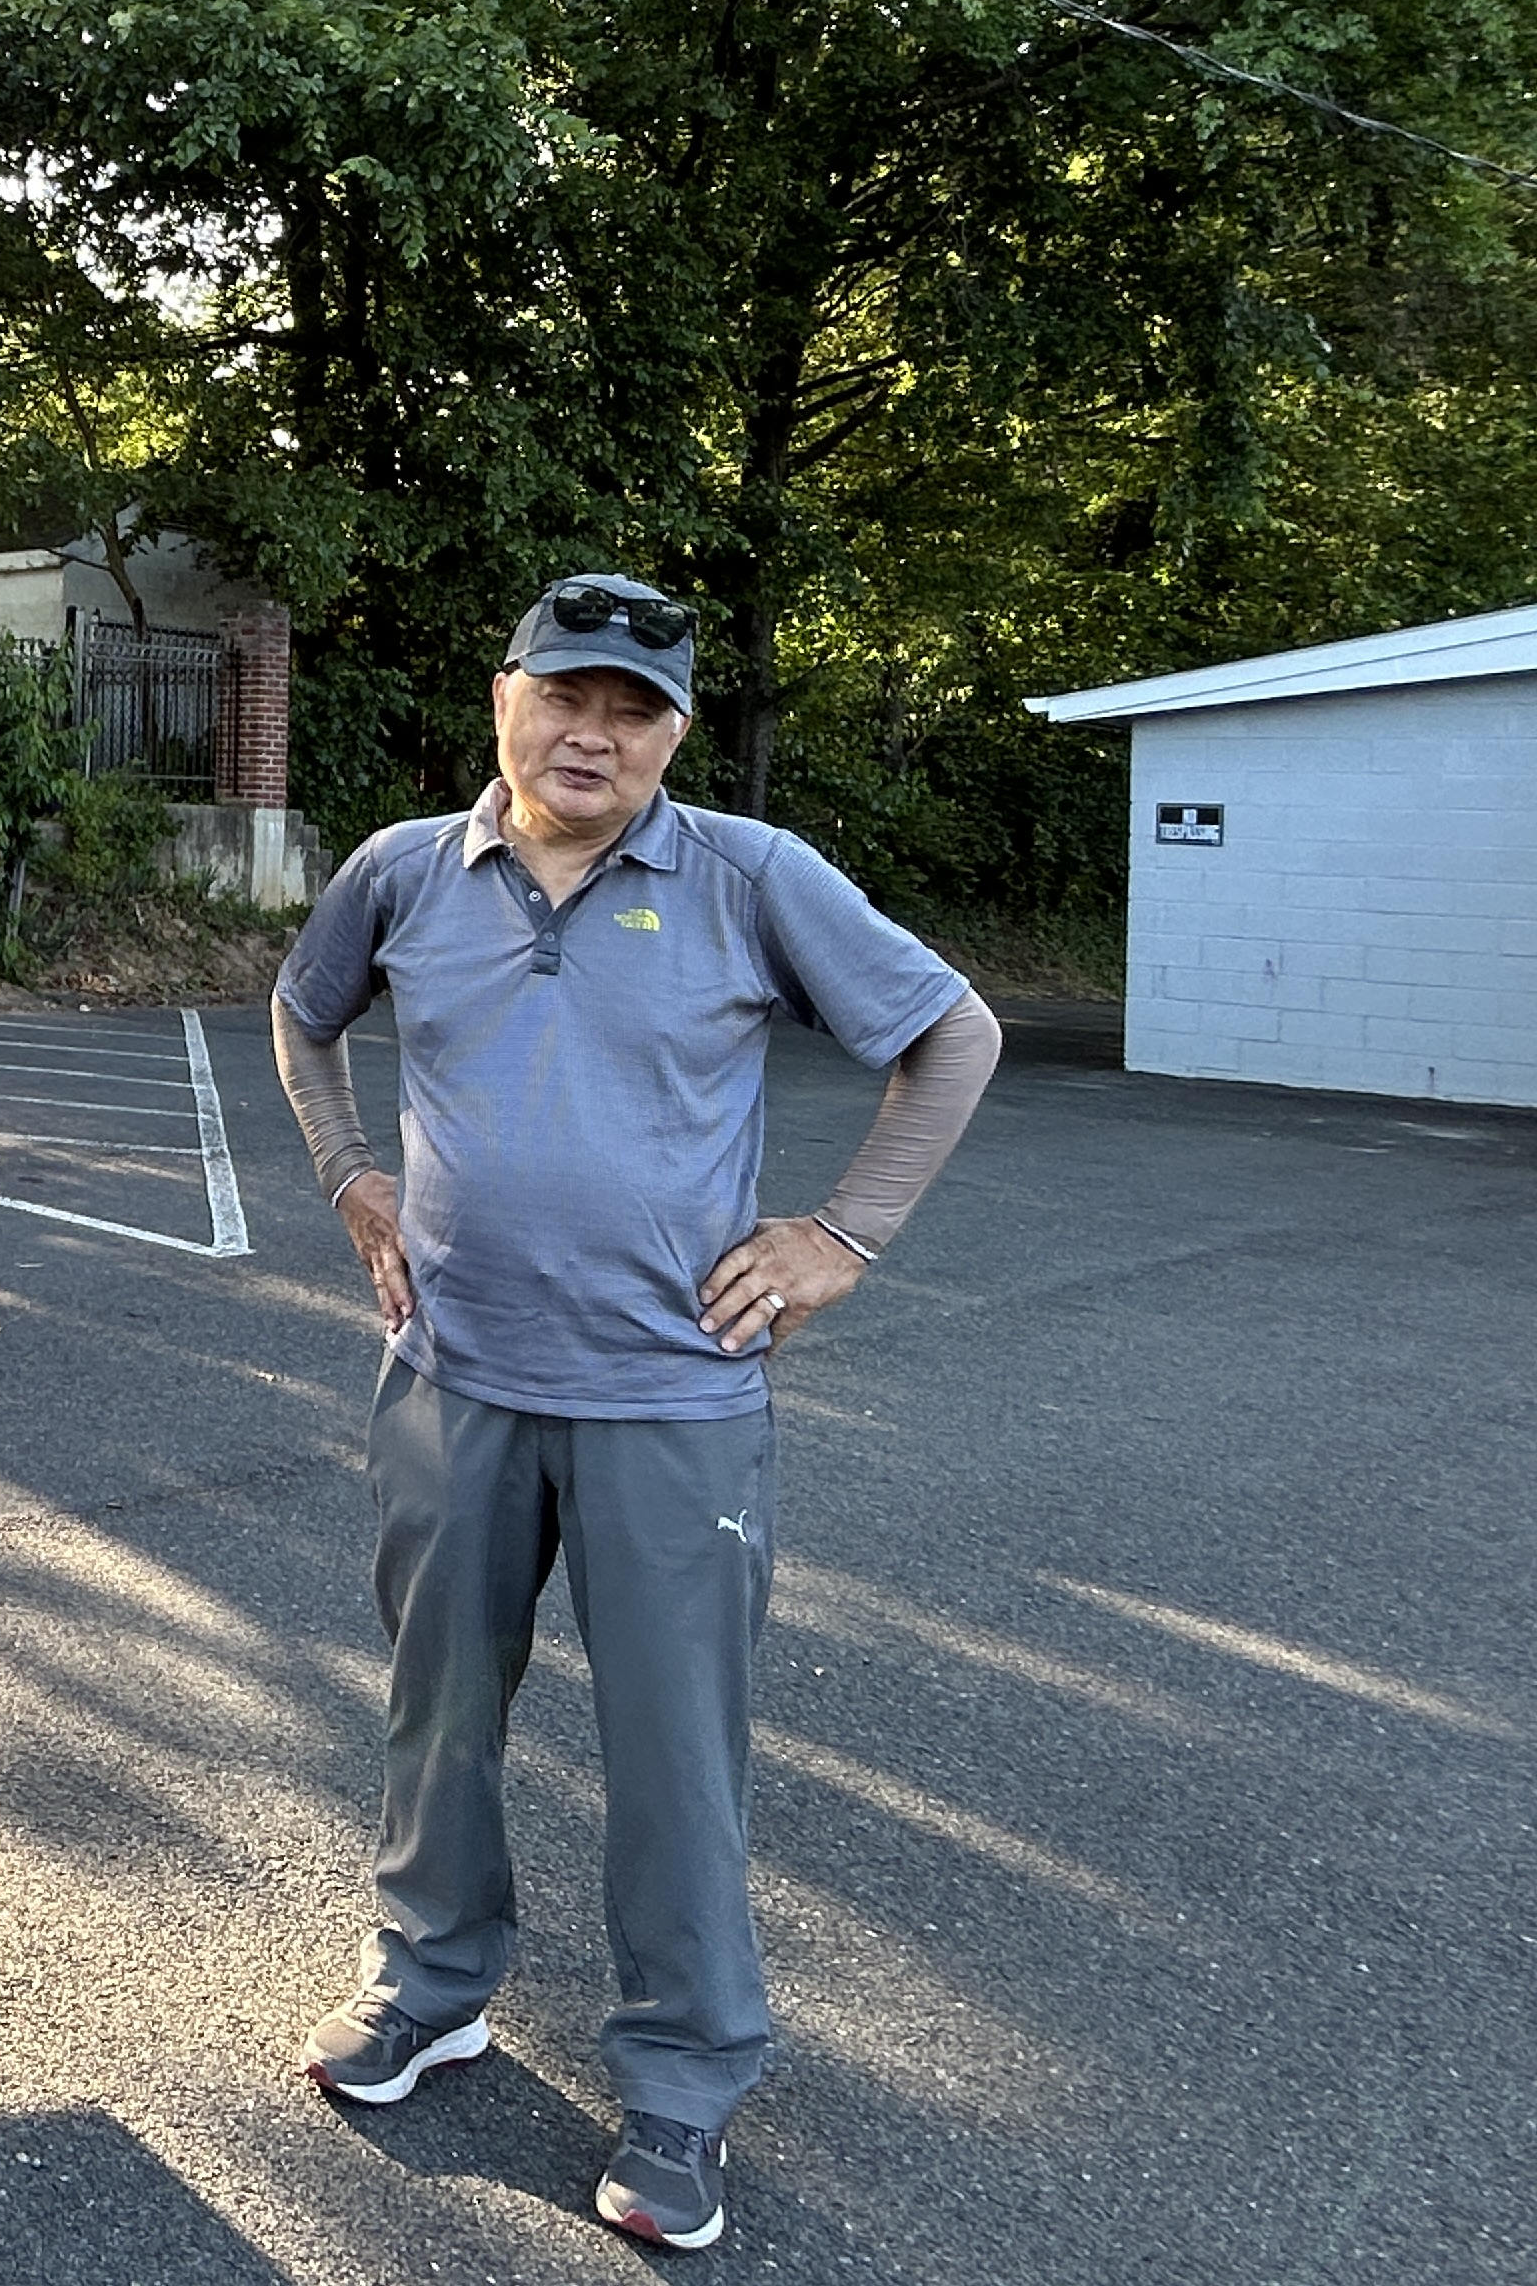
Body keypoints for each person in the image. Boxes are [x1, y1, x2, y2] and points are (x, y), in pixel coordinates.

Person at [271, 573, 1001, 2254]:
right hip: (452, 1383)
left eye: (634, 710)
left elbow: (951, 1035)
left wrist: (844, 1236)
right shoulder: (403, 871)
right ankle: (431, 1982)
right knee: (438, 1715)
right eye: (565, 696)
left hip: (671, 1400)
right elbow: (304, 1019)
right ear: (504, 698)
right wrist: (350, 1176)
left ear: (674, 734)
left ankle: (683, 2076)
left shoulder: (750, 876)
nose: (592, 735)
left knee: (674, 1754)